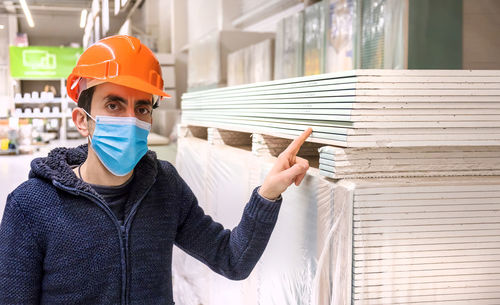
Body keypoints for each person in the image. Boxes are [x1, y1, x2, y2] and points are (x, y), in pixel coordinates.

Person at [0, 35, 311, 304]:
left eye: (142, 108)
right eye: (113, 105)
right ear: (83, 120)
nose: (130, 119)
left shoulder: (164, 186)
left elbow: (232, 259)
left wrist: (268, 194)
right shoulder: (31, 206)